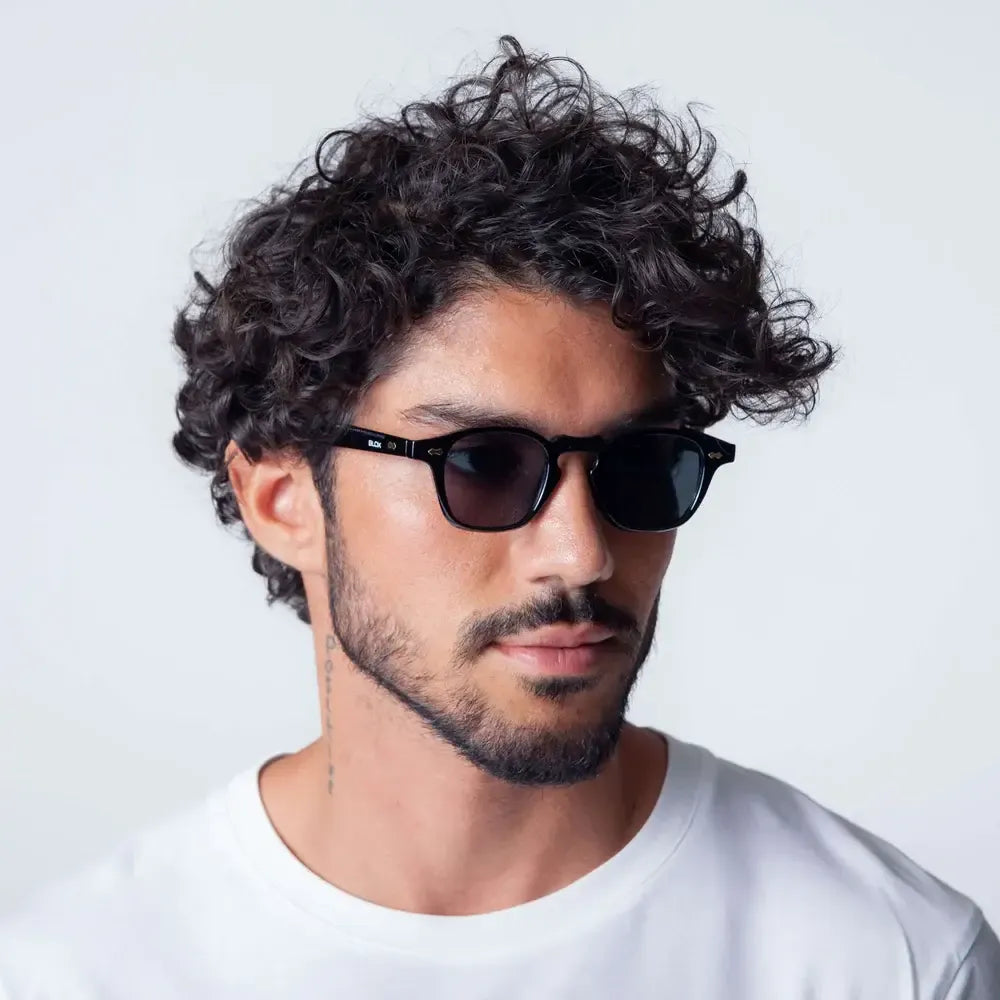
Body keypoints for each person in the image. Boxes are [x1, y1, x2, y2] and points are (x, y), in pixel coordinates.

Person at [1, 33, 996, 999]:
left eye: (639, 464)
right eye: (481, 463)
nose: (582, 551)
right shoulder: (83, 973)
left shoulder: (885, 960)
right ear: (282, 499)